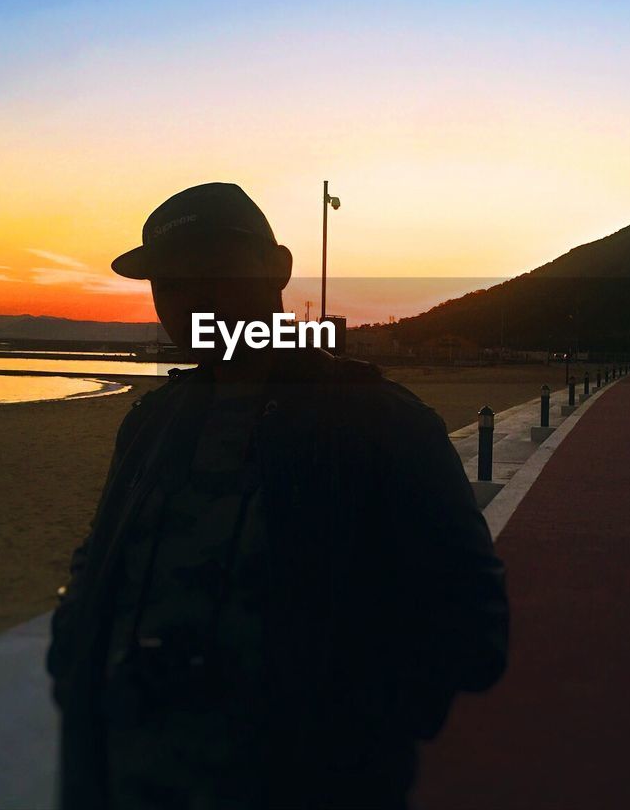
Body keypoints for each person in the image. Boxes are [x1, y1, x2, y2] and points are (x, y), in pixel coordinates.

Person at [46, 183, 509, 810]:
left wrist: (349, 736)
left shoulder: (381, 425)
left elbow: (474, 627)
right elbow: (99, 561)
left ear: (279, 269)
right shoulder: (152, 423)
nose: (190, 300)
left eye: (214, 268)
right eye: (169, 282)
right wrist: (74, 658)